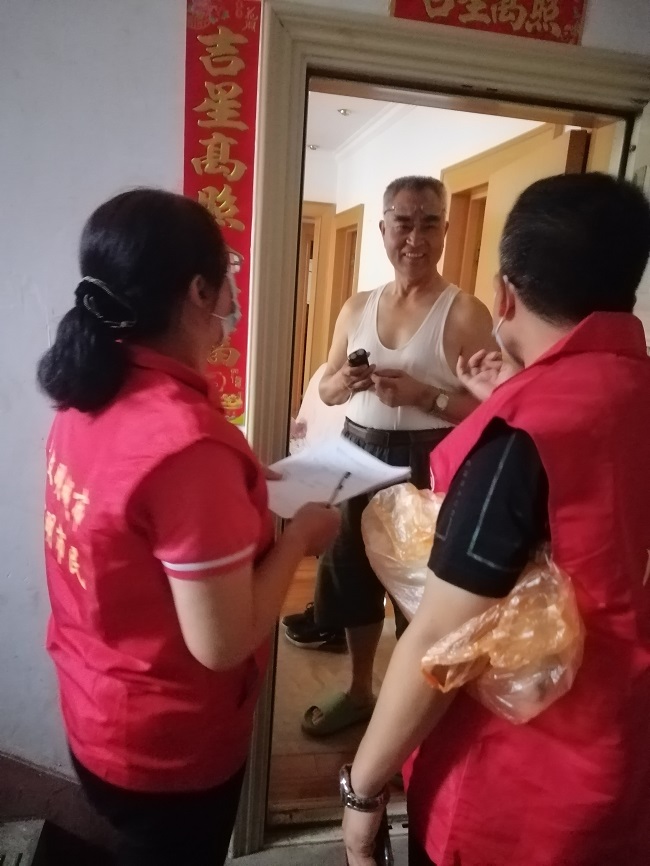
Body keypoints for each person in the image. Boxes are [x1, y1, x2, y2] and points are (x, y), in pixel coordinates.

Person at [341, 172, 650, 866]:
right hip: (623, 742)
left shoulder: (521, 435)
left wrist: (361, 793)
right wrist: (510, 395)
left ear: (505, 293)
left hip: (522, 778)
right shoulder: (633, 387)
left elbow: (440, 644)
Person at [37, 189, 340, 866]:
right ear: (201, 291)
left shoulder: (85, 391)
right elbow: (223, 642)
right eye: (227, 278)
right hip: (165, 753)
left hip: (94, 706)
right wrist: (298, 539)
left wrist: (239, 489)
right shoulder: (184, 442)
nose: (233, 298)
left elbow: (136, 532)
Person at [298, 176, 494, 736]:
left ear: (446, 230)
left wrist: (425, 396)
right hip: (356, 451)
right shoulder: (357, 307)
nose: (415, 238)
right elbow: (327, 389)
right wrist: (346, 381)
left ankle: (414, 710)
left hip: (428, 463)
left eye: (429, 224)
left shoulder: (465, 312)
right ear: (383, 229)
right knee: (351, 575)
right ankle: (361, 690)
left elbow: (494, 410)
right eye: (403, 224)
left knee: (421, 587)